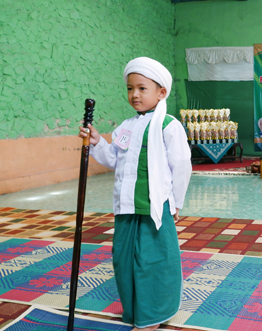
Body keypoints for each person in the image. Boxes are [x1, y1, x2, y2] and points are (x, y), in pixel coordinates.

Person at [78, 57, 191, 331]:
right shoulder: (126, 127)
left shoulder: (169, 125)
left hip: (155, 208)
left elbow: (182, 166)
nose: (134, 95)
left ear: (161, 92)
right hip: (126, 207)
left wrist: (175, 202)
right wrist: (97, 142)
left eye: (142, 88)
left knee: (154, 262)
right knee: (125, 259)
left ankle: (153, 315)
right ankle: (136, 311)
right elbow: (114, 158)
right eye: (130, 88)